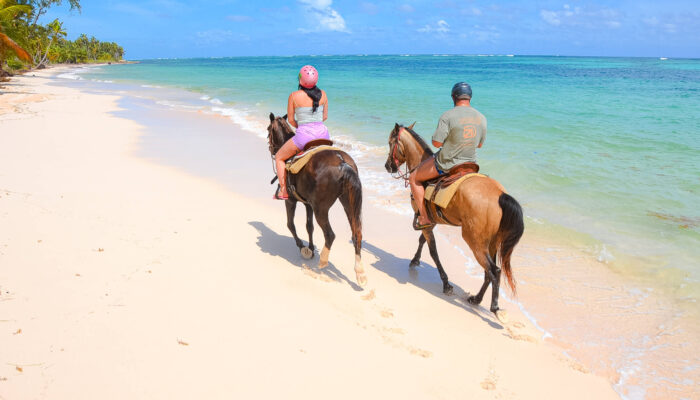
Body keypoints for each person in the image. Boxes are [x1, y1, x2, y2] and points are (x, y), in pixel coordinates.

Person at [409, 82, 487, 229]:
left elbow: (437, 144)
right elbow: (480, 145)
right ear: (470, 97)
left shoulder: (448, 116)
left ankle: (424, 218)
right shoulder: (482, 118)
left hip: (448, 164)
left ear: (453, 97)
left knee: (413, 178)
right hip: (471, 163)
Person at [274, 65, 329, 200]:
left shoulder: (294, 96)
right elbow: (324, 117)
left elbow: (291, 120)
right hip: (324, 134)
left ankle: (283, 190)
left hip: (304, 136)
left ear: (300, 80)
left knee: (279, 157)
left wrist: (302, 125)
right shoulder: (324, 94)